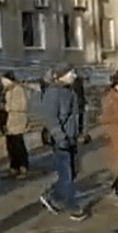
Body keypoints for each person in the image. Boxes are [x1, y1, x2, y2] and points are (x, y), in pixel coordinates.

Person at [40, 66, 87, 221]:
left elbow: (77, 114)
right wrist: (59, 136)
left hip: (71, 137)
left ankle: (52, 195)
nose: (74, 75)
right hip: (60, 139)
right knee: (66, 174)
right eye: (70, 73)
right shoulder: (53, 93)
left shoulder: (70, 91)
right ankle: (73, 207)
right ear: (61, 76)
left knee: (73, 172)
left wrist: (81, 131)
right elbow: (50, 118)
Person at [0, 71, 30, 178]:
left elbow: (23, 106)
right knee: (10, 145)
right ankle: (14, 166)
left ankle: (23, 166)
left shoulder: (18, 90)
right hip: (8, 122)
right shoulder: (6, 91)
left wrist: (8, 107)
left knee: (18, 144)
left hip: (17, 121)